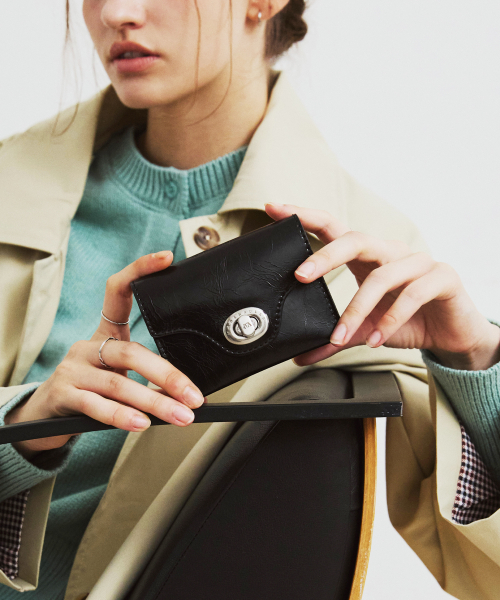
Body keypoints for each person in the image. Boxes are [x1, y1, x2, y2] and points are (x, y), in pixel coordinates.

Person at [0, 0, 499, 599]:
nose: (117, 12)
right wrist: (23, 427)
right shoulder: (11, 187)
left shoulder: (366, 257)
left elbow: (483, 565)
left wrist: (476, 361)